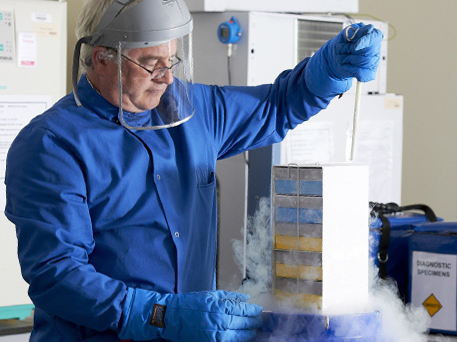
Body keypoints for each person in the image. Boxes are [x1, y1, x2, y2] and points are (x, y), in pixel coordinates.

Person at [4, 0, 383, 341]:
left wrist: (330, 66)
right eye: (151, 64)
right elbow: (57, 275)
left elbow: (277, 106)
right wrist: (159, 315)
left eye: (171, 61)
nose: (167, 78)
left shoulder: (188, 108)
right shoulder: (51, 145)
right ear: (102, 57)